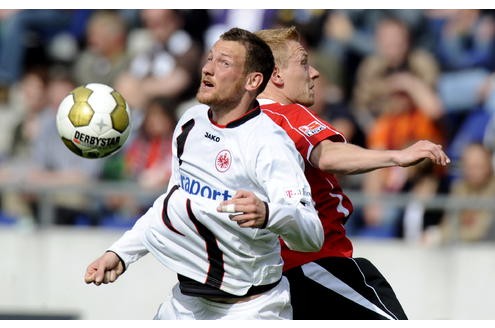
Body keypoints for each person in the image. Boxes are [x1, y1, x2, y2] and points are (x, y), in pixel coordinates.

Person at [84, 27, 323, 320]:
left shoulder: (270, 143)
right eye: (209, 59)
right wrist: (121, 253)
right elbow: (172, 203)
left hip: (251, 309)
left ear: (253, 80)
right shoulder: (190, 123)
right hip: (185, 305)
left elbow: (312, 234)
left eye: (224, 63)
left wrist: (268, 213)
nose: (207, 69)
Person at [247, 26, 450, 319]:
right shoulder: (284, 114)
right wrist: (398, 156)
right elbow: (327, 155)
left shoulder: (240, 126)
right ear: (276, 75)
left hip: (277, 277)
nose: (314, 72)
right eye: (304, 63)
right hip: (318, 265)